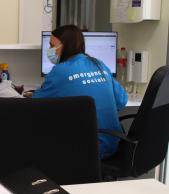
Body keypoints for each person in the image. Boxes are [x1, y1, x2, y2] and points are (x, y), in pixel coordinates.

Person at [32, 25, 128, 159]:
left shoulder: (60, 71)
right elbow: (121, 101)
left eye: (52, 45)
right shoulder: (100, 65)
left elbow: (34, 106)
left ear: (65, 46)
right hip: (115, 146)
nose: (49, 50)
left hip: (85, 150)